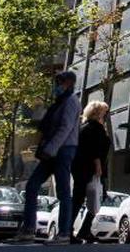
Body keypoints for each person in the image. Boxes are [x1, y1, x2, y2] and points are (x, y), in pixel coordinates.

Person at [16, 71, 81, 243]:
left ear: (68, 83)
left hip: (63, 150)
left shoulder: (71, 101)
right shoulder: (59, 103)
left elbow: (65, 128)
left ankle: (64, 233)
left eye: (59, 82)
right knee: (32, 186)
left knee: (63, 191)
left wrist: (50, 148)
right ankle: (28, 229)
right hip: (53, 151)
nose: (55, 86)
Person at [70, 100, 110, 243]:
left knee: (78, 198)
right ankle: (80, 230)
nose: (105, 116)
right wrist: (98, 167)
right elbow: (95, 150)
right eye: (104, 112)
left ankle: (75, 230)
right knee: (97, 196)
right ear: (97, 113)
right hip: (91, 169)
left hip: (80, 167)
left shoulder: (84, 127)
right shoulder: (95, 128)